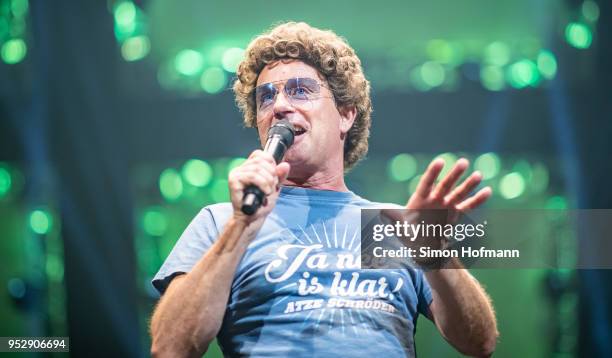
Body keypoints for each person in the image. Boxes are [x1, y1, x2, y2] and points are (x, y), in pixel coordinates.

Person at [150, 22, 498, 357]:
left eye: (300, 90)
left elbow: (480, 343)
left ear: (346, 115)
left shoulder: (391, 223)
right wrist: (241, 228)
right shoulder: (221, 221)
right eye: (266, 97)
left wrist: (435, 258)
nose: (281, 106)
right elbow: (170, 348)